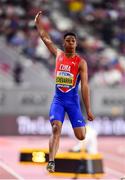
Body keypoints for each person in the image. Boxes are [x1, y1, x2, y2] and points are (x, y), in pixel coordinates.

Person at [35, 11, 95, 173]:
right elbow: (44, 37)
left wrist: (88, 109)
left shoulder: (81, 63)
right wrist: (38, 23)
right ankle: (52, 161)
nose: (70, 43)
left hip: (73, 102)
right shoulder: (58, 55)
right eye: (67, 40)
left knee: (81, 136)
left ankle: (81, 126)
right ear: (64, 43)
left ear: (76, 44)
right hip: (59, 101)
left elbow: (85, 86)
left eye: (73, 41)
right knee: (56, 128)